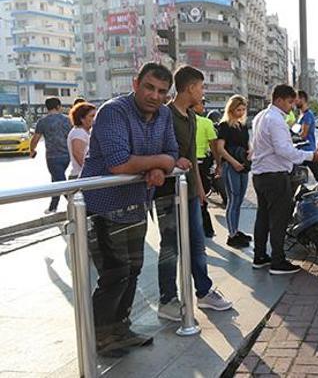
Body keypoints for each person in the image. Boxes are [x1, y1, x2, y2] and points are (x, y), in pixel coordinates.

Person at [81, 62, 178, 355]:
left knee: (133, 270)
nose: (154, 95)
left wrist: (160, 167)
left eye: (162, 91)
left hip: (137, 206)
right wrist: (159, 163)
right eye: (149, 87)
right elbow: (119, 163)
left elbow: (173, 154)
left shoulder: (163, 114)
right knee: (115, 273)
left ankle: (121, 329)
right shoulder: (114, 111)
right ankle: (100, 336)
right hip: (103, 208)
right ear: (136, 83)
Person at [154, 66, 232, 322]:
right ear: (190, 87)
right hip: (167, 193)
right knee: (170, 247)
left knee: (197, 245)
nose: (203, 91)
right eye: (201, 86)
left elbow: (192, 158)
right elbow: (160, 151)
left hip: (189, 191)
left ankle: (204, 291)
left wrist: (200, 189)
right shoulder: (164, 114)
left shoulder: (193, 117)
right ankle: (167, 299)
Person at [250, 85, 318, 274]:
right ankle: (278, 261)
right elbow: (283, 150)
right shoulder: (275, 119)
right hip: (275, 176)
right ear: (279, 100)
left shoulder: (261, 117)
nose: (292, 106)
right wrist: (309, 156)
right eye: (290, 102)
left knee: (263, 217)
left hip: (261, 175)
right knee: (279, 218)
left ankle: (259, 256)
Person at [215, 95, 252, 248]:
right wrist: (234, 162)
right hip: (231, 166)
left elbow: (247, 143)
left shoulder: (242, 125)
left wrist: (250, 151)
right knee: (233, 199)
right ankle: (231, 234)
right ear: (231, 109)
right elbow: (220, 149)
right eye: (238, 109)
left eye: (243, 109)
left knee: (239, 199)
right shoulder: (224, 126)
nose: (241, 112)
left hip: (243, 164)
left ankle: (236, 231)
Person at [29, 97, 72, 214]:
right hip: (67, 156)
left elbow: (35, 139)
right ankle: (53, 207)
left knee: (61, 183)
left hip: (53, 157)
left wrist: (32, 150)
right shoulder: (68, 120)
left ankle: (79, 205)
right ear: (58, 106)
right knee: (56, 180)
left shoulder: (42, 122)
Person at [194, 97, 218, 238]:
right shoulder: (206, 122)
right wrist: (218, 164)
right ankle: (206, 229)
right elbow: (214, 145)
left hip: (186, 165)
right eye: (201, 103)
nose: (203, 106)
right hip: (202, 164)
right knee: (202, 197)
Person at [295, 90, 318, 181]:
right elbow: (297, 130)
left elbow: (303, 134)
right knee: (298, 179)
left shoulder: (307, 115)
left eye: (296, 99)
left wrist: (293, 138)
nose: (294, 102)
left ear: (303, 99)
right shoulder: (302, 115)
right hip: (303, 151)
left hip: (307, 150)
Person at [66, 102, 96, 179]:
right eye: (92, 116)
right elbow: (78, 154)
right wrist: (91, 172)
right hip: (80, 175)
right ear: (82, 119)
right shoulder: (78, 133)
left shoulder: (86, 132)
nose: (95, 118)